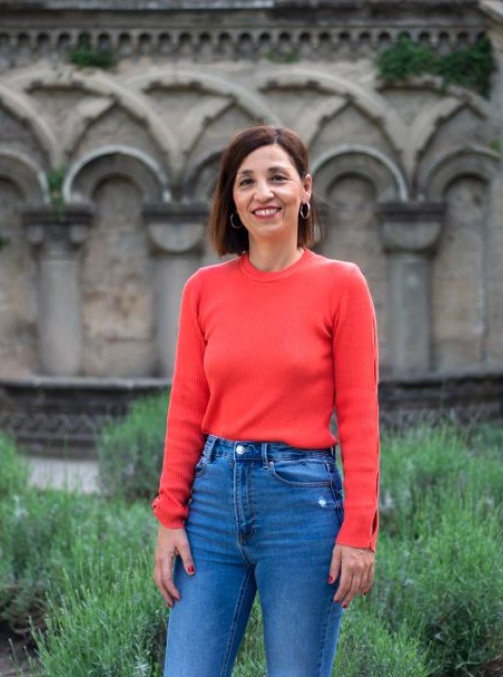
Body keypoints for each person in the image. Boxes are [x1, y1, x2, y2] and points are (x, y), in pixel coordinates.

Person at [151, 125, 380, 677]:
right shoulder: (203, 289)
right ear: (232, 201)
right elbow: (186, 410)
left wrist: (359, 531)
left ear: (305, 189)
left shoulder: (342, 285)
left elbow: (359, 417)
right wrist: (169, 516)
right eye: (246, 182)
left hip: (303, 509)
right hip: (209, 508)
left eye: (277, 178)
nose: (263, 193)